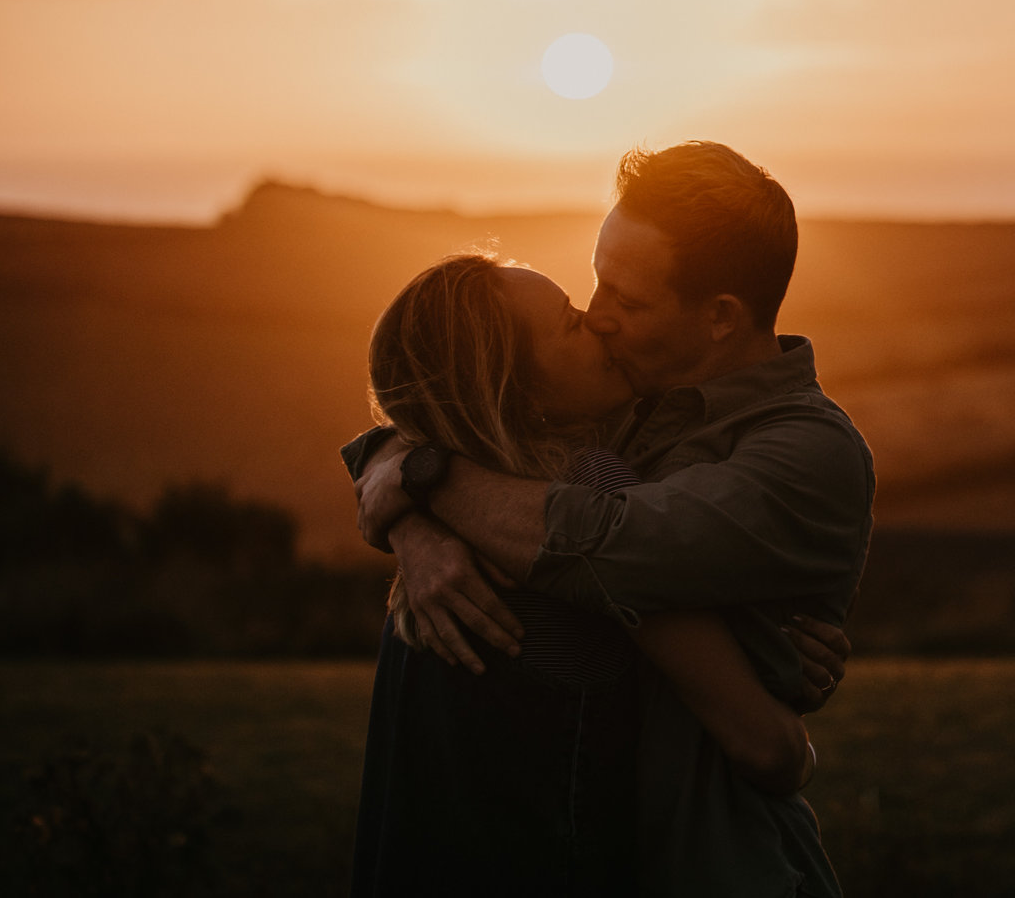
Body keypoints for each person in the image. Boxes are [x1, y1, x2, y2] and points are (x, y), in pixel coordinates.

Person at [350, 142, 876, 898]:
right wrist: (405, 501)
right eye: (595, 284)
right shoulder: (620, 406)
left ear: (721, 316)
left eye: (625, 300)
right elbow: (465, 407)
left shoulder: (807, 452)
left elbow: (604, 544)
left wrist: (424, 480)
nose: (597, 318)